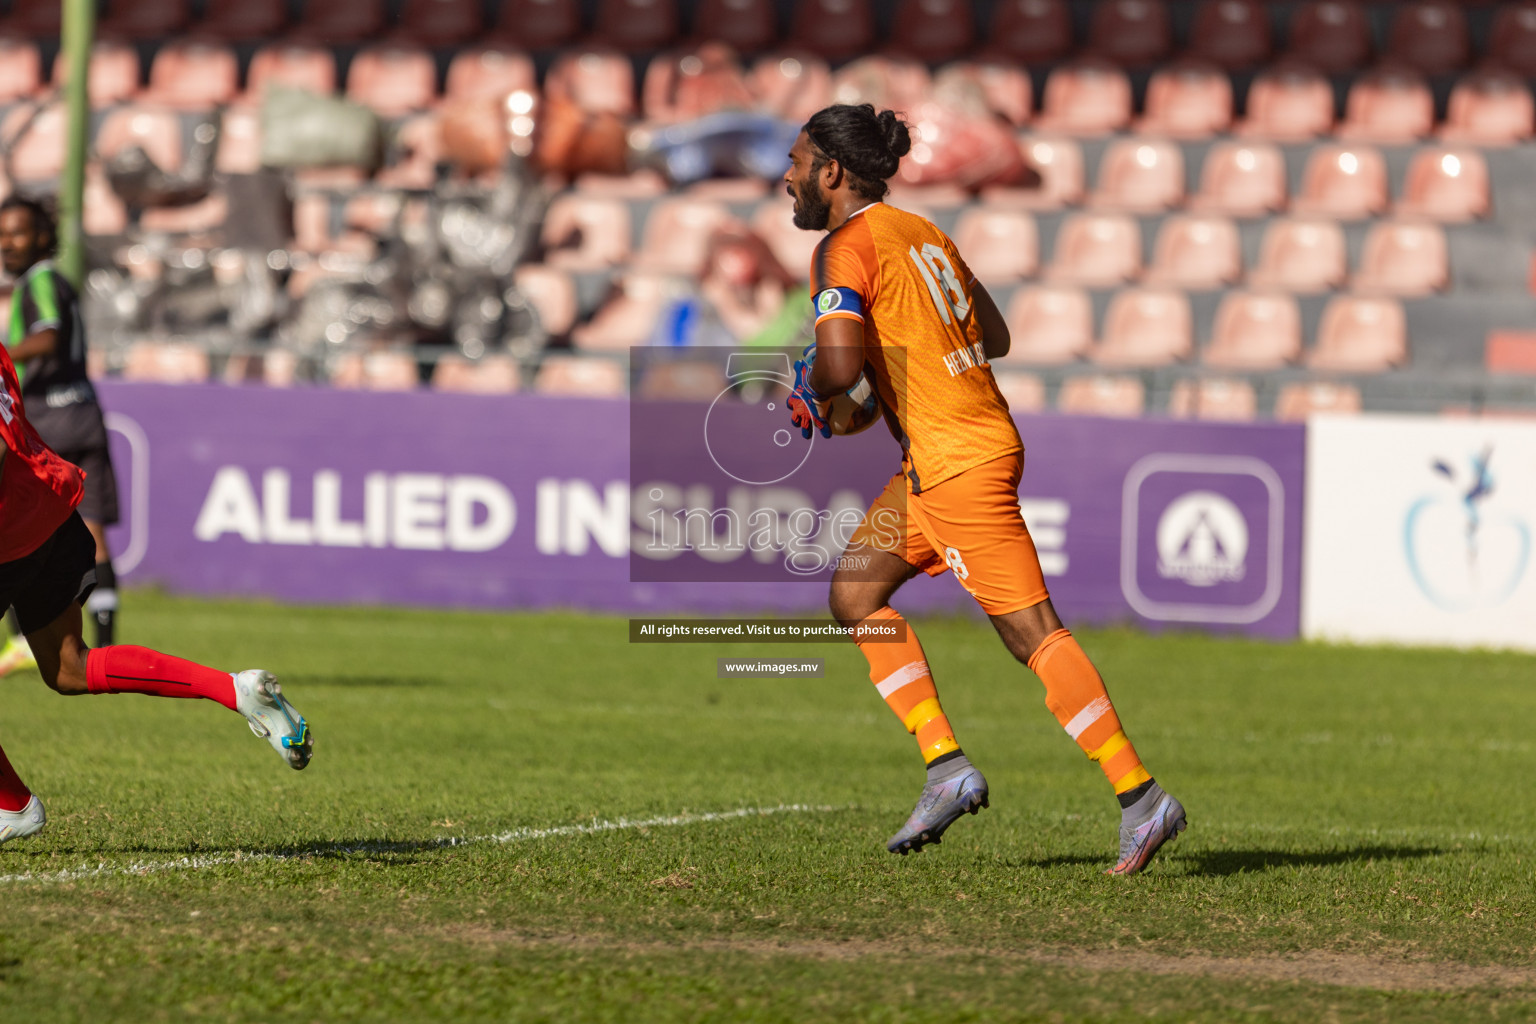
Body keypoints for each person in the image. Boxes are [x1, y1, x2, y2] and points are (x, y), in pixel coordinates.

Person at [782, 104, 1185, 875]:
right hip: (938, 464)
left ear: (831, 172)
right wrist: (876, 389)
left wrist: (817, 382)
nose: (788, 178)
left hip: (959, 464)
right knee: (855, 595)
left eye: (798, 164)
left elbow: (835, 368)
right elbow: (991, 336)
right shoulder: (924, 234)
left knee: (1032, 632)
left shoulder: (843, 249)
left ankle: (1141, 797)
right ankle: (946, 767)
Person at [0, 335, 312, 847]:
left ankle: (12, 805)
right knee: (69, 668)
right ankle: (236, 689)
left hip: (11, 527)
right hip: (48, 507)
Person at [0, 197, 120, 677]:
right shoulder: (53, 281)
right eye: (2, 234)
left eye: (19, 233)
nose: (8, 243)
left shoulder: (41, 281)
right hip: (86, 411)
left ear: (45, 238)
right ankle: (106, 643)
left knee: (16, 521)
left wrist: (4, 352)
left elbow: (48, 336)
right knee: (93, 532)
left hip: (52, 418)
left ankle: (20, 641)